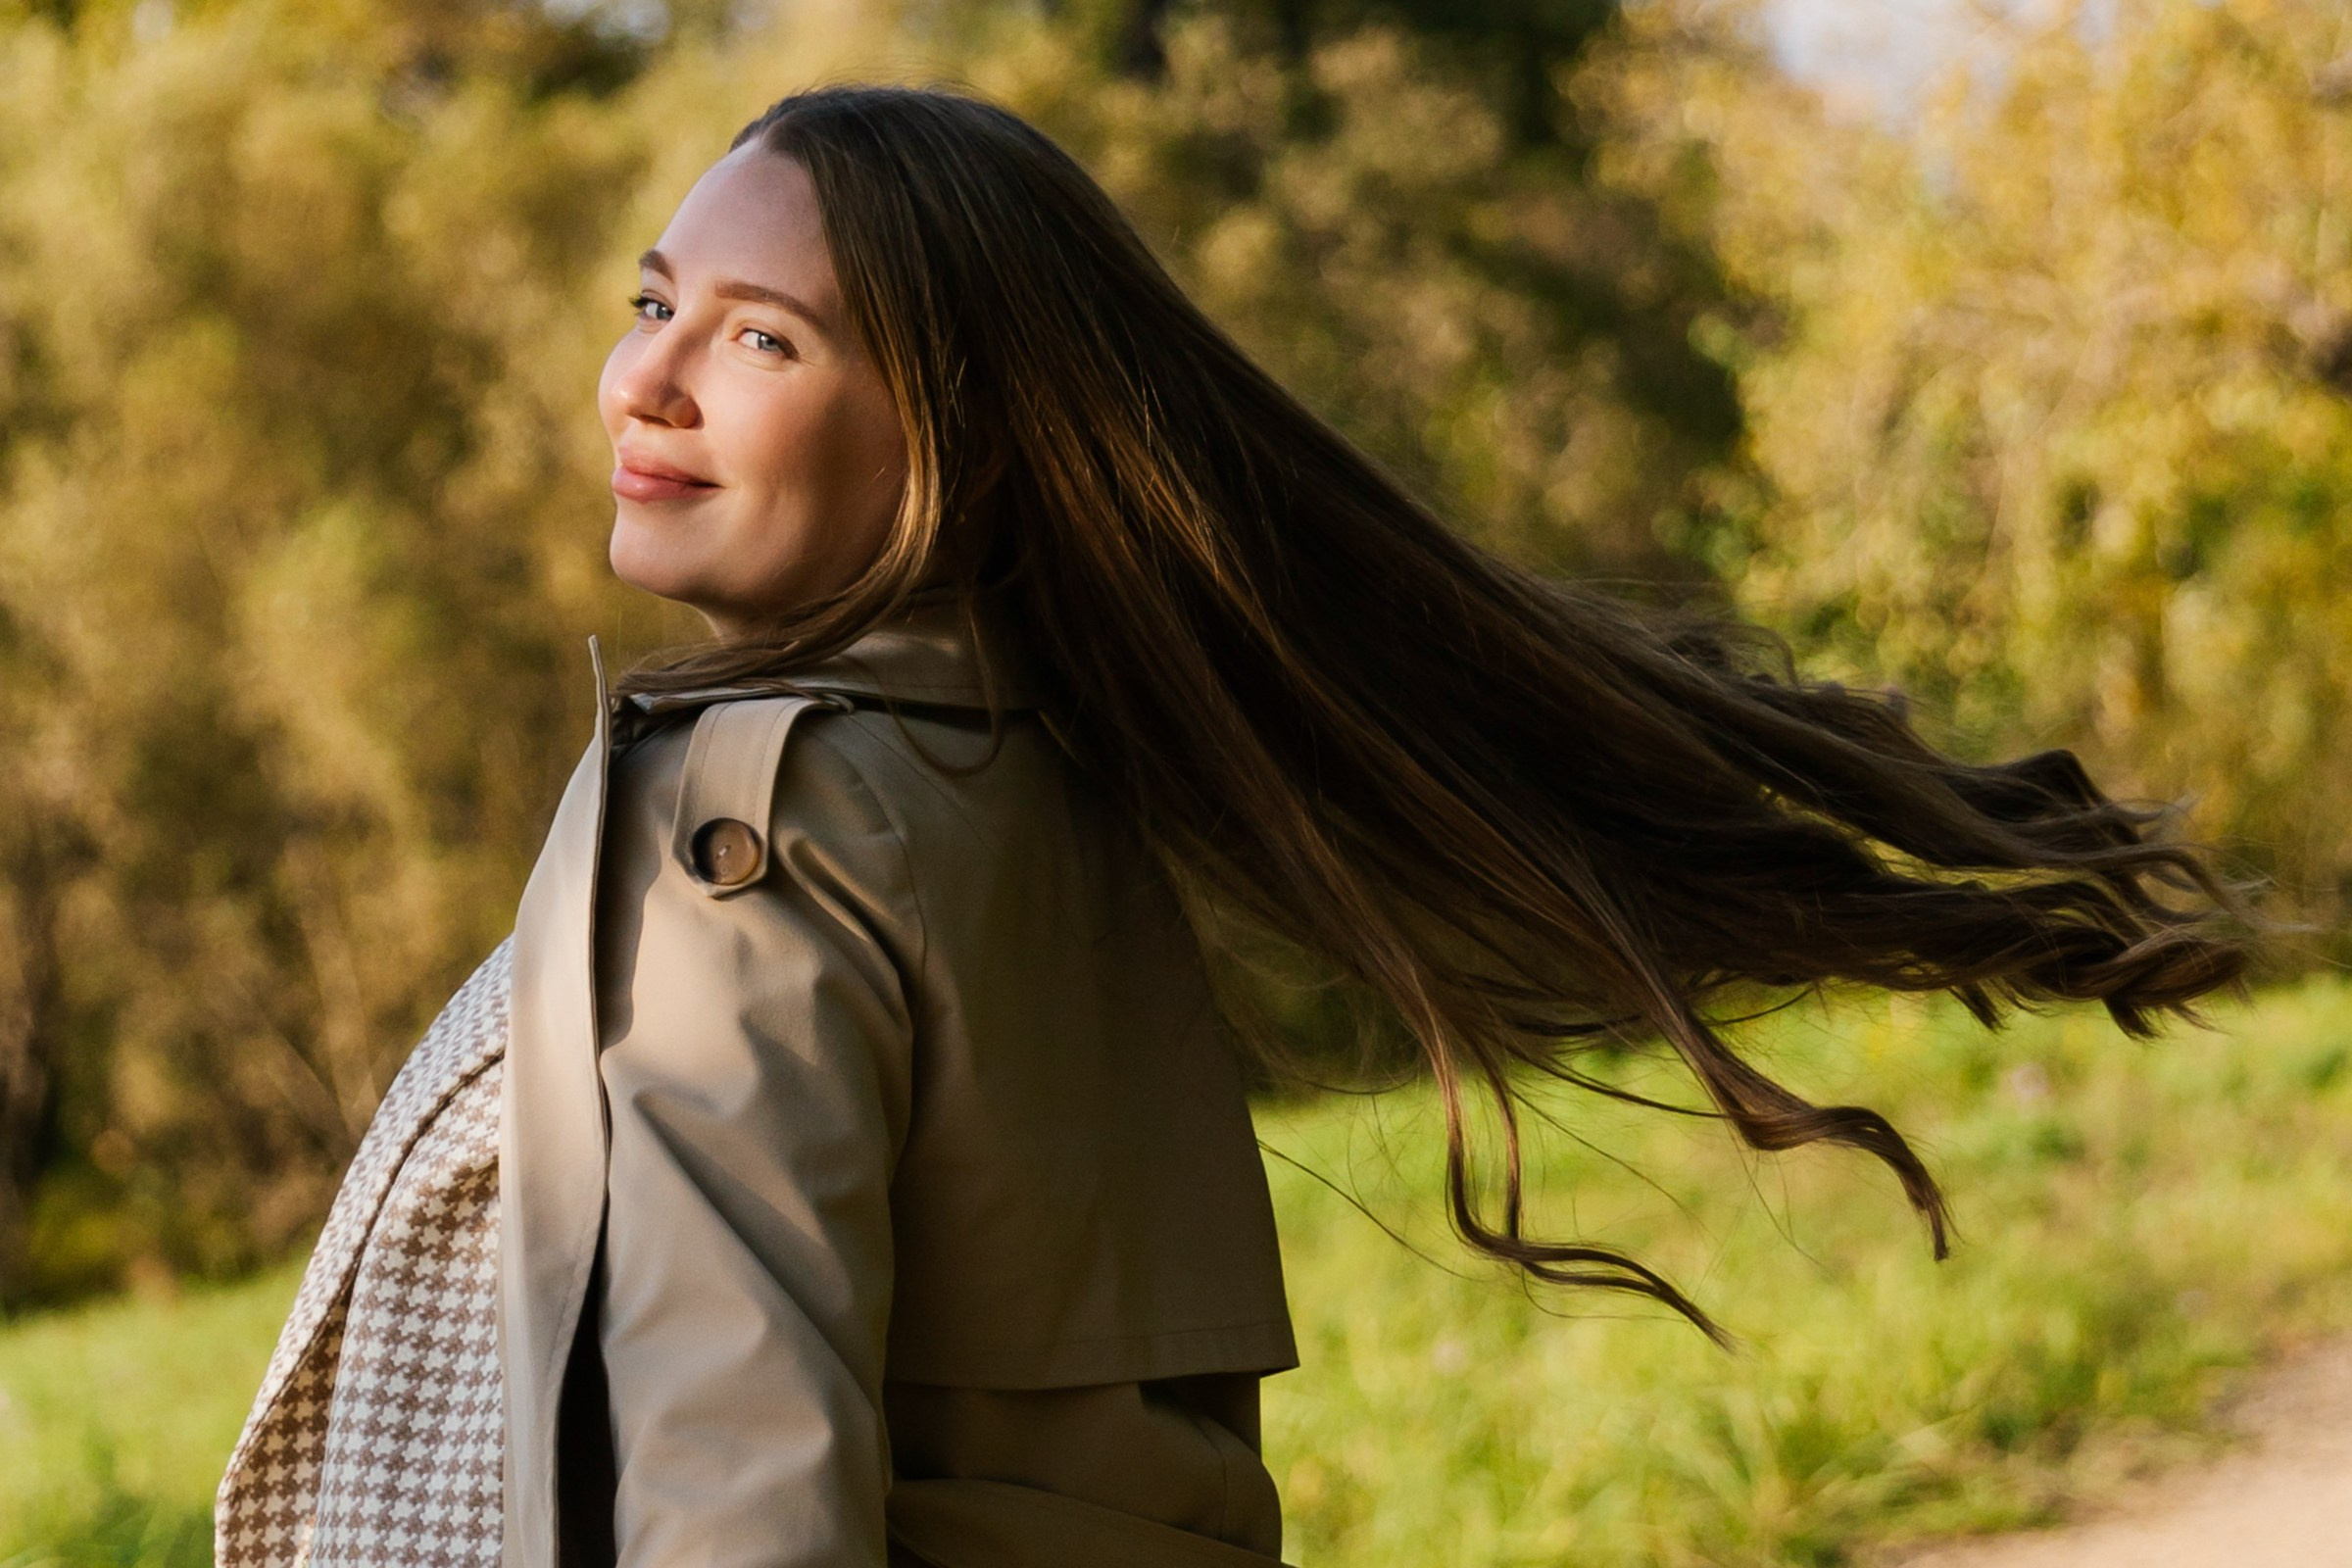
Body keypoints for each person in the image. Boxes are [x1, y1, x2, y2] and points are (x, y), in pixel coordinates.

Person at [216, 82, 2249, 1568]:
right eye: (655, 298)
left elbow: (728, 1464)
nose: (647, 379)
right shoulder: (1053, 792)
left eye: (764, 339)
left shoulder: (741, 827)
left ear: (960, 441)